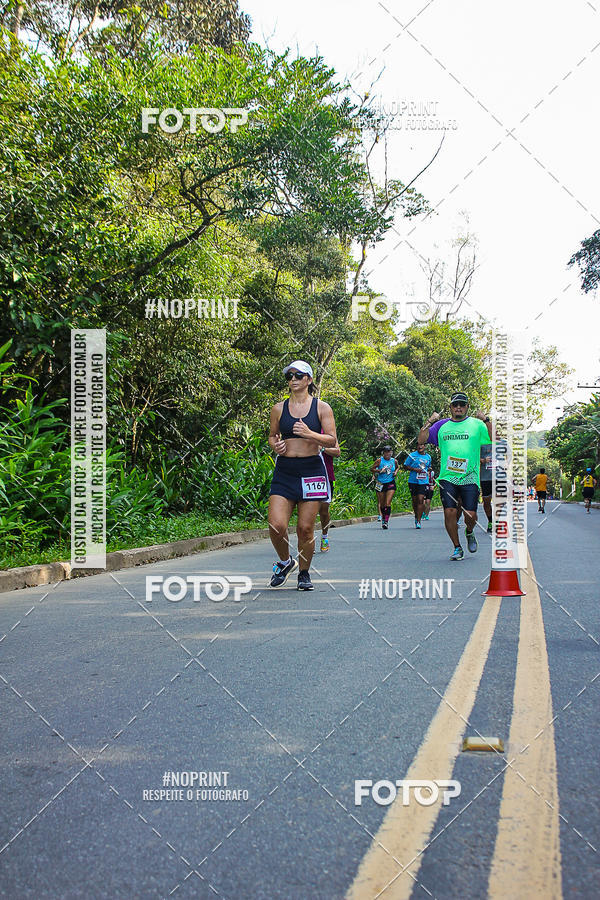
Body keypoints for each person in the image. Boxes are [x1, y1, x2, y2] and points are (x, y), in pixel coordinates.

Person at [268, 361, 337, 590]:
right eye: (289, 376)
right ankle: (286, 561)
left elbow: (331, 440)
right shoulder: (279, 408)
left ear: (308, 379)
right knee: (276, 525)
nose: (293, 379)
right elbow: (272, 435)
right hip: (285, 470)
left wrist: (310, 434)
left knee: (305, 528)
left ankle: (304, 574)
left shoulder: (321, 408)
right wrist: (275, 446)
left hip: (312, 471)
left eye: (298, 375)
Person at [418, 391, 492, 561]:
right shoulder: (441, 426)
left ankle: (469, 531)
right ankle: (457, 547)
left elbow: (495, 437)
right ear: (450, 407)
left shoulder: (476, 425)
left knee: (470, 515)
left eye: (462, 404)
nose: (458, 407)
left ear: (467, 407)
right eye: (455, 405)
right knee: (450, 511)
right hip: (447, 476)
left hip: (470, 476)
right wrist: (430, 421)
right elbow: (421, 440)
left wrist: (486, 420)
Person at [403, 442, 432, 529]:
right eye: (418, 445)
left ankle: (418, 521)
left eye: (422, 445)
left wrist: (428, 469)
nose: (420, 447)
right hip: (413, 481)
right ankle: (416, 516)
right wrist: (414, 469)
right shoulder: (412, 455)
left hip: (423, 481)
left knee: (420, 499)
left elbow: (429, 467)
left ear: (425, 446)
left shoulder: (428, 457)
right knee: (415, 500)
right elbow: (405, 466)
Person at [319, 440, 340, 550]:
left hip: (326, 476)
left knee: (323, 510)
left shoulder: (328, 433)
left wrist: (322, 448)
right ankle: (307, 540)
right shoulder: (303, 430)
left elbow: (337, 452)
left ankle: (324, 536)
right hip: (308, 475)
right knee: (308, 509)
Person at [371, 446, 397, 529]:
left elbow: (398, 467)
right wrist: (379, 471)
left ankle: (386, 521)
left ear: (391, 453)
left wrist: (395, 472)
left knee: (387, 503)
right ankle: (383, 518)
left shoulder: (394, 461)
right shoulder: (379, 460)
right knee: (382, 504)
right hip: (381, 483)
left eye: (389, 452)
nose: (387, 454)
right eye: (386, 452)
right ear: (383, 453)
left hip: (390, 483)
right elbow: (372, 469)